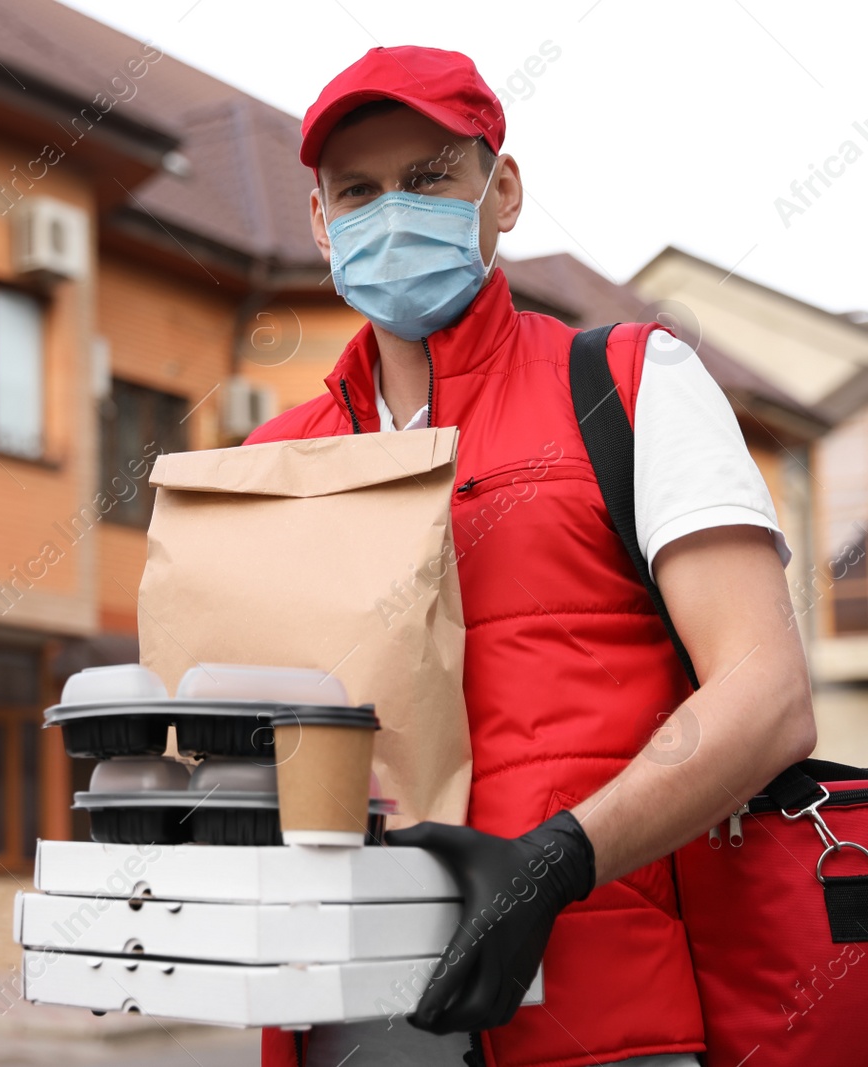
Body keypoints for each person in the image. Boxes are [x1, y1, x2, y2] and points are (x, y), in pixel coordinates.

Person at [250, 46, 816, 1067]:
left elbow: (767, 692)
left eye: (428, 179)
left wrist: (558, 859)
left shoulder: (630, 385)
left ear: (500, 190)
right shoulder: (272, 463)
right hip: (348, 1022)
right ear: (320, 224)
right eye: (359, 191)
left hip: (604, 1024)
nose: (391, 213)